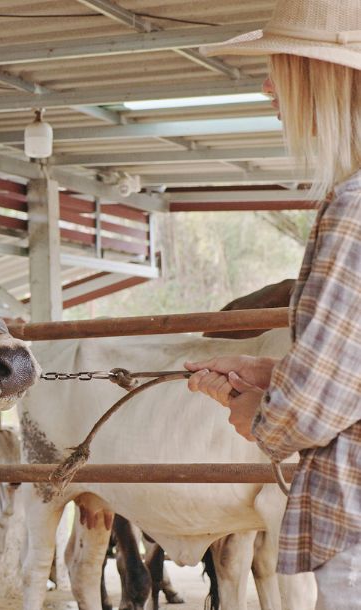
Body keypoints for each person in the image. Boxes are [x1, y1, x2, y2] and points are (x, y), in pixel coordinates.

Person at [183, 1, 361, 607]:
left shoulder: (354, 208)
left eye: (283, 68)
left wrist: (255, 407)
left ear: (330, 78)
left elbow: (306, 413)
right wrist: (280, 372)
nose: (268, 87)